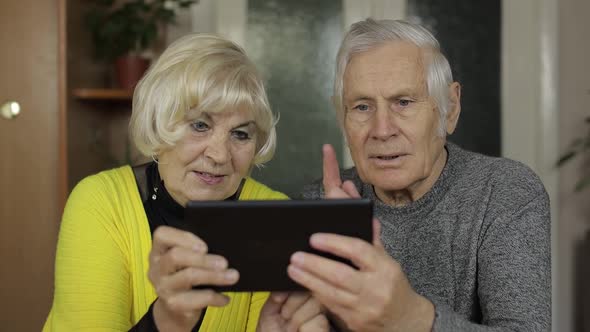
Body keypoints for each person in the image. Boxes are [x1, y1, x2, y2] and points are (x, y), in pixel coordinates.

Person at [43, 33, 328, 331]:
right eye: (200, 125)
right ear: (158, 121)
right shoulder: (102, 202)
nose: (219, 155)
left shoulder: (271, 216)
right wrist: (165, 321)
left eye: (240, 134)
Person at [293, 19, 551, 331]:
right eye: (362, 107)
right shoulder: (317, 205)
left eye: (403, 102)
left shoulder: (504, 192)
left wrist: (411, 316)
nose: (382, 130)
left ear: (450, 108)